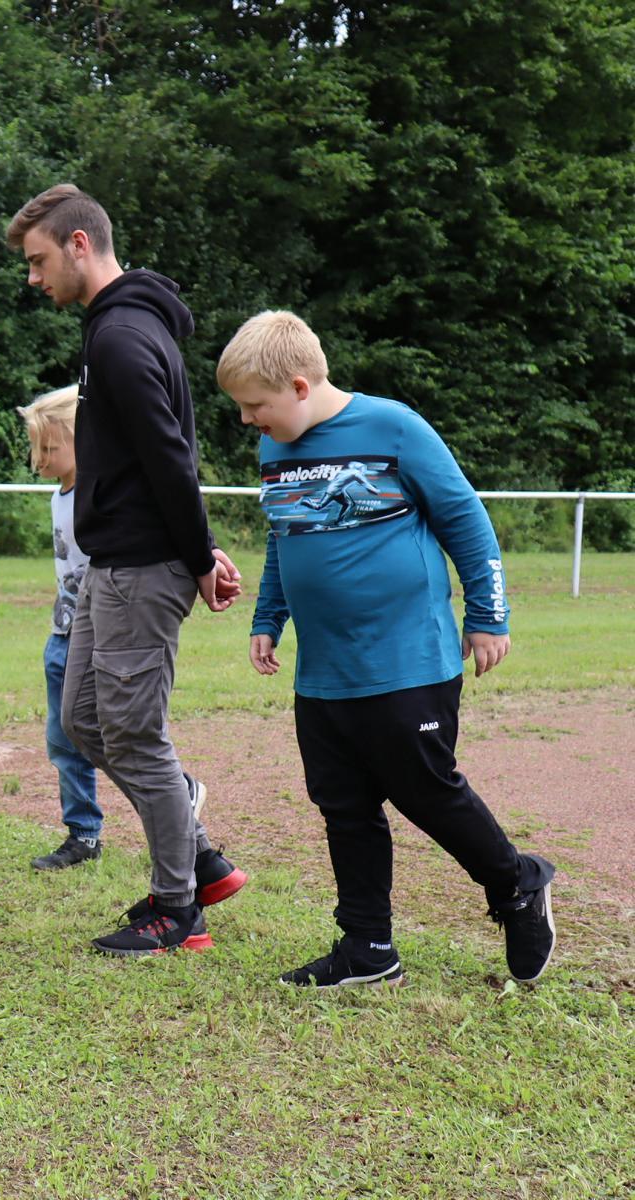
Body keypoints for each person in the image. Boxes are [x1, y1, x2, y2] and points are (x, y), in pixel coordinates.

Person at [218, 310, 556, 987]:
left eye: (256, 406)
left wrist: (489, 616)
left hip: (408, 659)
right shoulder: (275, 448)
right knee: (343, 803)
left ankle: (518, 884)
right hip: (324, 669)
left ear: (299, 386)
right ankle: (368, 947)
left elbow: (466, 520)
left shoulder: (394, 427)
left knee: (425, 791)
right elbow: (285, 537)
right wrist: (268, 615)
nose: (248, 420)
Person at [5, 183, 246, 956]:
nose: (33, 277)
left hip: (144, 566)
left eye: (38, 260)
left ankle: (178, 911)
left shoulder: (121, 336)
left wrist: (198, 555)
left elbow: (170, 455)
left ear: (79, 244)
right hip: (112, 563)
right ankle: (200, 859)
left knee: (135, 735)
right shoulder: (112, 328)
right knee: (84, 719)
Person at [15, 386, 103, 870]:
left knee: (116, 736)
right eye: (36, 448)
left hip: (99, 638)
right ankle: (83, 833)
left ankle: (176, 801)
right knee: (61, 739)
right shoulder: (60, 495)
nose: (39, 459)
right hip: (62, 634)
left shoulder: (99, 495)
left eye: (49, 448)